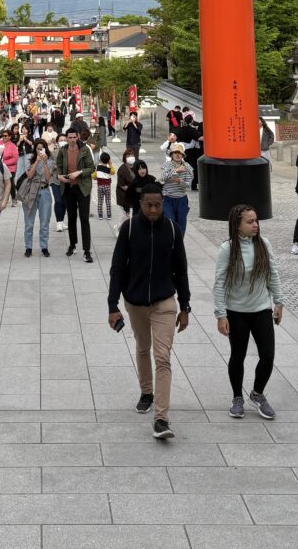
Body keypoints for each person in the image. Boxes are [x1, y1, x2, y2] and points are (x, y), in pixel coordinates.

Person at [108, 182, 191, 439]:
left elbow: (182, 271)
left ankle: (161, 418)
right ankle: (146, 391)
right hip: (135, 303)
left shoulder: (172, 230)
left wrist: (185, 305)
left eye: (158, 205)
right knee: (143, 348)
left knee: (162, 356)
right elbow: (118, 268)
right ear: (140, 204)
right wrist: (113, 306)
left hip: (164, 302)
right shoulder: (130, 229)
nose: (154, 210)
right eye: (149, 205)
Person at [213, 204, 283, 420]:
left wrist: (279, 302)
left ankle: (257, 393)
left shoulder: (264, 244)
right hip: (236, 312)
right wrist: (221, 315)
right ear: (237, 225)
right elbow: (219, 283)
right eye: (250, 221)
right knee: (238, 355)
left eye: (256, 221)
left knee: (268, 355)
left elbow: (273, 274)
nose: (255, 225)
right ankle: (237, 398)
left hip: (261, 309)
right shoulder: (227, 248)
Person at [57, 127, 94, 263]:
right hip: (68, 188)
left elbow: (92, 167)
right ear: (66, 138)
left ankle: (87, 250)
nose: (72, 140)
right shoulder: (63, 150)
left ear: (78, 136)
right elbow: (59, 165)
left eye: (74, 137)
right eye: (69, 137)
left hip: (82, 188)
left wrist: (79, 172)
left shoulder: (85, 149)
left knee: (84, 218)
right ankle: (72, 245)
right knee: (71, 218)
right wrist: (60, 176)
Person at [20, 138, 55, 257]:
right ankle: (28, 247)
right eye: (38, 149)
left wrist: (44, 162)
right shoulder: (29, 159)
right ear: (35, 149)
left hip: (44, 191)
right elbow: (29, 175)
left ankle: (44, 246)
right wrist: (36, 161)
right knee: (29, 222)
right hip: (31, 191)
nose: (40, 151)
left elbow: (48, 177)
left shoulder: (50, 160)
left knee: (45, 220)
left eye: (42, 148)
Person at [160, 143, 193, 234]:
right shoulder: (166, 165)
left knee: (181, 226)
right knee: (170, 224)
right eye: (175, 153)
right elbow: (163, 178)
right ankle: (170, 245)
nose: (178, 155)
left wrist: (179, 182)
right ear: (171, 155)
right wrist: (176, 171)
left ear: (182, 155)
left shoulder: (187, 167)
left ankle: (179, 245)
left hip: (181, 200)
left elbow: (188, 185)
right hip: (167, 199)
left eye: (180, 153)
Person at [116, 150, 138, 217]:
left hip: (134, 196)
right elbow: (122, 185)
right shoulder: (122, 169)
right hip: (124, 196)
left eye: (132, 155)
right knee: (127, 216)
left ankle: (120, 227)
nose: (130, 157)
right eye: (128, 156)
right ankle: (122, 227)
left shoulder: (136, 167)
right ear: (124, 158)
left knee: (129, 217)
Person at [94, 151, 115, 219]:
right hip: (107, 186)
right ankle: (109, 215)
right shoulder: (109, 168)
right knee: (108, 201)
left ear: (100, 160)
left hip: (100, 186)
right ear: (108, 160)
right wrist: (111, 164)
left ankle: (100, 215)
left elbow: (94, 176)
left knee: (100, 201)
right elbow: (113, 172)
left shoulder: (98, 167)